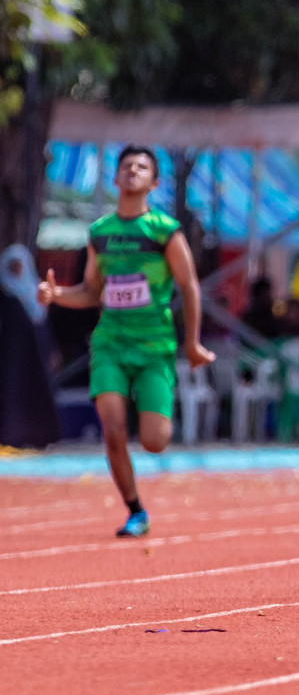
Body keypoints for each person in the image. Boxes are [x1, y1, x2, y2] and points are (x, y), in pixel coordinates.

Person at [36, 146, 216, 537]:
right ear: (116, 179)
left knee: (155, 441)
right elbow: (91, 291)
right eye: (126, 166)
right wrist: (57, 296)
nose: (133, 171)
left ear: (154, 182)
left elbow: (188, 286)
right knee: (113, 432)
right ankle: (136, 510)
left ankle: (154, 410)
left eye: (142, 167)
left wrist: (192, 344)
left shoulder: (164, 231)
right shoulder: (100, 233)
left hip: (154, 348)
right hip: (111, 344)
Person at [1, 245, 61, 449]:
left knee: (38, 397)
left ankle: (40, 437)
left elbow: (44, 328)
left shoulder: (38, 294)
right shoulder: (4, 295)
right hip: (9, 362)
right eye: (13, 266)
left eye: (20, 265)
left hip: (37, 360)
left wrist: (52, 351)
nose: (17, 270)